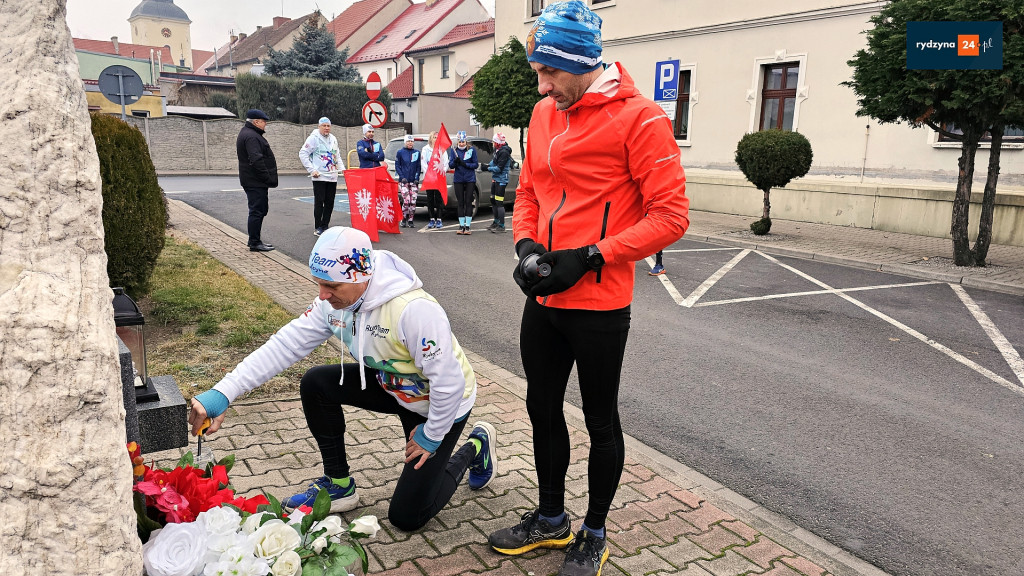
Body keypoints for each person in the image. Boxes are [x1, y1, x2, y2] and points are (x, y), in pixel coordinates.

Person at [490, 3, 689, 575]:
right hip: (544, 298)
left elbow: (671, 216)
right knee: (540, 408)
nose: (542, 84)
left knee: (600, 422)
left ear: (583, 63)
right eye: (537, 71)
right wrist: (527, 247)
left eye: (551, 72)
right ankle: (551, 519)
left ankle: (593, 532)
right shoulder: (545, 111)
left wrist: (592, 256)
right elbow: (529, 192)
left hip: (599, 304)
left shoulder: (641, 119)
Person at [187, 226, 500, 531]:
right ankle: (339, 485)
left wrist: (432, 435)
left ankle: (475, 445)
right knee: (316, 384)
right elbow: (283, 345)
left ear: (362, 277)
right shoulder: (331, 303)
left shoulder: (414, 310)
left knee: (407, 517)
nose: (322, 295)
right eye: (319, 284)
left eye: (332, 287)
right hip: (393, 387)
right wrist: (222, 393)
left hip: (442, 403)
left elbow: (450, 384)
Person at [236, 109, 279, 252]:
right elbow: (256, 160)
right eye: (263, 122)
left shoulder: (249, 134)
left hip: (254, 180)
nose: (265, 124)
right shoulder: (251, 136)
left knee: (259, 210)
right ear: (256, 122)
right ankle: (254, 242)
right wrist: (266, 177)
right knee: (256, 211)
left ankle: (255, 240)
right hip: (255, 181)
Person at [299, 117, 344, 236]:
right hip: (319, 176)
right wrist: (311, 170)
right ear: (319, 126)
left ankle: (325, 225)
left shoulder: (333, 139)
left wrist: (343, 170)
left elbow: (337, 156)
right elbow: (303, 153)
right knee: (320, 202)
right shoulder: (314, 138)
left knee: (330, 202)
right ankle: (318, 226)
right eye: (324, 126)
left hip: (332, 175)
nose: (326, 128)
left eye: (328, 126)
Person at [448, 131, 478, 235]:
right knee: (460, 202)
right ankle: (461, 225)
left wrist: (465, 164)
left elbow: (475, 164)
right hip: (458, 179)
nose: (461, 143)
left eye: (463, 141)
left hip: (470, 179)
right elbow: (451, 165)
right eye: (460, 142)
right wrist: (455, 162)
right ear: (457, 142)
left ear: (466, 141)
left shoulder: (471, 150)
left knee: (468, 201)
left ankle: (468, 226)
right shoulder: (454, 151)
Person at [421, 131, 448, 230]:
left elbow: (445, 163)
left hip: (439, 178)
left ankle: (439, 218)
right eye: (434, 137)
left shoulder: (442, 150)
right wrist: (429, 174)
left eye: (437, 137)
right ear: (431, 138)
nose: (436, 139)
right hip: (429, 178)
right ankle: (432, 218)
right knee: (430, 199)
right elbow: (423, 163)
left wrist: (441, 173)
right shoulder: (425, 149)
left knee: (438, 199)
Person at [487, 132, 512, 234]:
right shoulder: (497, 150)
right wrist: (487, 165)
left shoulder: (504, 152)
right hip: (496, 178)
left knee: (499, 202)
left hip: (502, 179)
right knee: (492, 199)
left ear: (497, 142)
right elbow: (494, 162)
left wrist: (487, 168)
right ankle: (496, 221)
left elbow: (499, 168)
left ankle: (502, 225)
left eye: (494, 141)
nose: (493, 143)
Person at [394, 135, 421, 229]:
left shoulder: (417, 152)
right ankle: (403, 218)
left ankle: (411, 220)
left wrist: (417, 177)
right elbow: (397, 166)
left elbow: (418, 166)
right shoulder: (400, 152)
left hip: (413, 181)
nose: (410, 143)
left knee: (413, 201)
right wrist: (402, 177)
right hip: (403, 181)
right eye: (408, 141)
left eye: (412, 141)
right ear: (405, 142)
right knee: (406, 201)